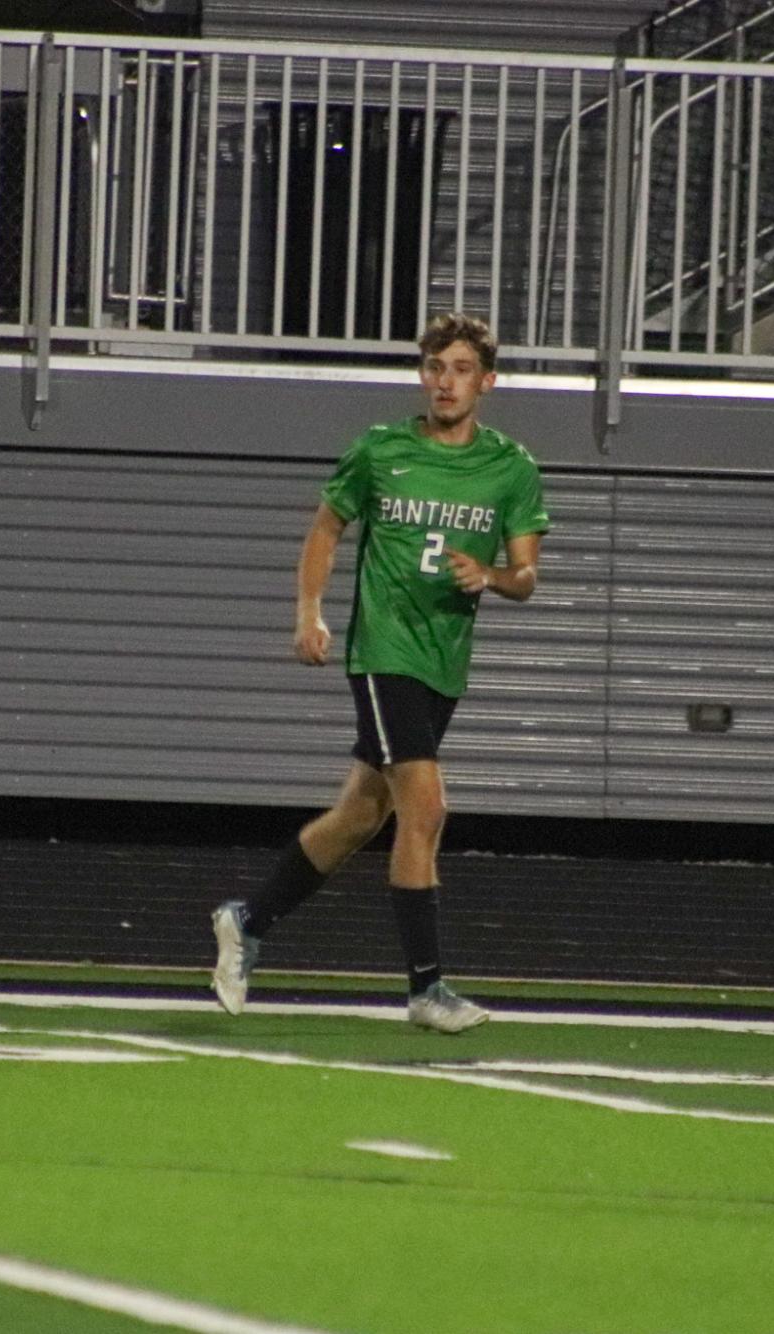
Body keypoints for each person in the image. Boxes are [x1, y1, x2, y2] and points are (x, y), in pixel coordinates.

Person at [210, 312, 549, 1033]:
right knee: (425, 810)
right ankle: (426, 990)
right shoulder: (379, 450)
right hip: (383, 652)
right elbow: (327, 526)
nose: (444, 381)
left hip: (442, 662)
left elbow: (525, 578)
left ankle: (248, 917)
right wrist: (309, 612)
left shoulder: (511, 468)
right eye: (434, 367)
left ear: (486, 381)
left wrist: (487, 575)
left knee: (362, 815)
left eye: (459, 369)